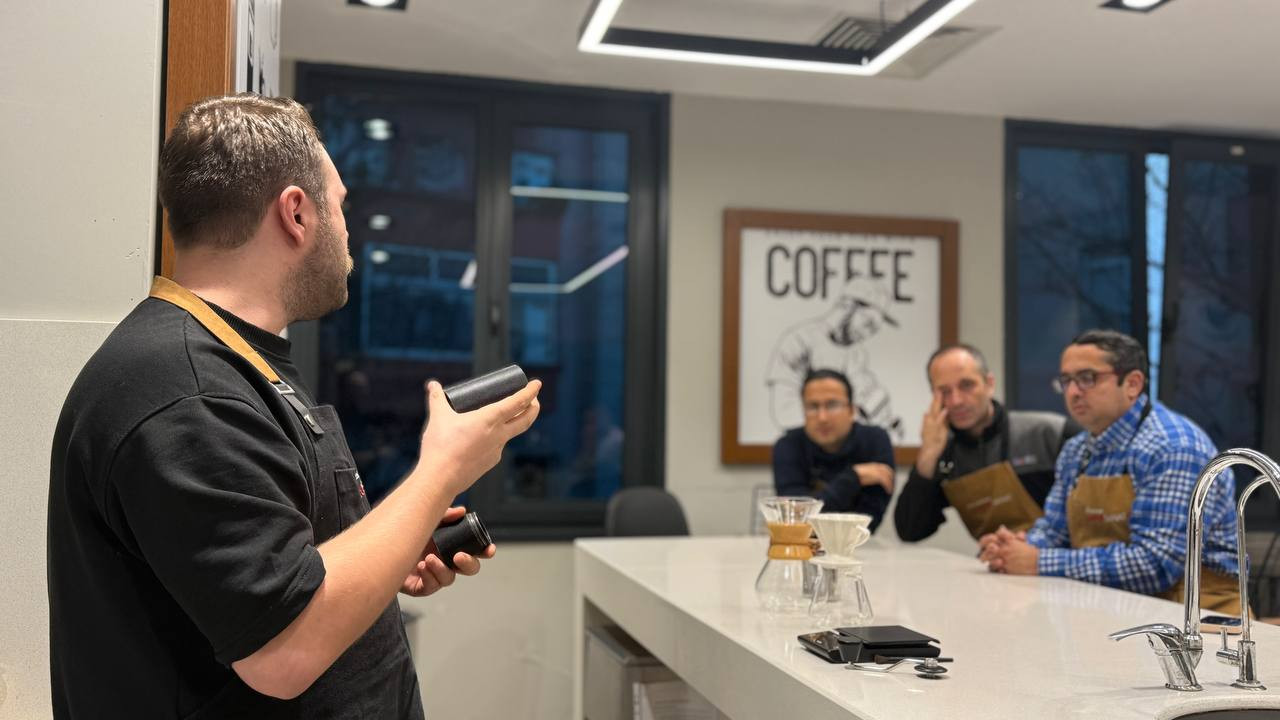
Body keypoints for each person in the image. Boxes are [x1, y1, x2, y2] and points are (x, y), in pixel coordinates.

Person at [46, 94, 542, 718]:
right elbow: (284, 649)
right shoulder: (186, 391)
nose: (348, 233)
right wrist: (444, 468)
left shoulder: (235, 360)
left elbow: (281, 568)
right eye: (340, 205)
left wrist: (392, 548)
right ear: (297, 213)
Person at [978, 330, 1240, 613]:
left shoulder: (1173, 447)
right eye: (1066, 381)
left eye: (1087, 378)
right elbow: (1055, 531)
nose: (1073, 392)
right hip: (1116, 610)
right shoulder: (1076, 451)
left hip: (1196, 619)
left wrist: (1038, 561)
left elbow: (1155, 564)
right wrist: (1013, 548)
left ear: (1132, 384)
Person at [894, 344, 1078, 542]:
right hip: (993, 558)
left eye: (966, 385)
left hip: (1055, 558)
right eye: (944, 391)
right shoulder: (945, 455)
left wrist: (1034, 548)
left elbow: (1088, 523)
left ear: (989, 384)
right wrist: (928, 455)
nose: (956, 401)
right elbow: (910, 531)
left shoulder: (1050, 433)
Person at [765, 278, 904, 442]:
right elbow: (785, 410)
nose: (868, 335)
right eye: (869, 324)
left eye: (875, 330)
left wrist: (885, 423)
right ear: (847, 307)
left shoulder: (856, 354)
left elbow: (869, 400)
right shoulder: (800, 341)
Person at [772, 369, 896, 531]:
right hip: (802, 543)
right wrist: (855, 477)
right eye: (813, 406)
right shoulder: (788, 445)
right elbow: (797, 519)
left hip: (860, 543)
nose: (822, 418)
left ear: (851, 410)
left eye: (832, 405)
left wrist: (818, 504)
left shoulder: (875, 440)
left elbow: (868, 523)